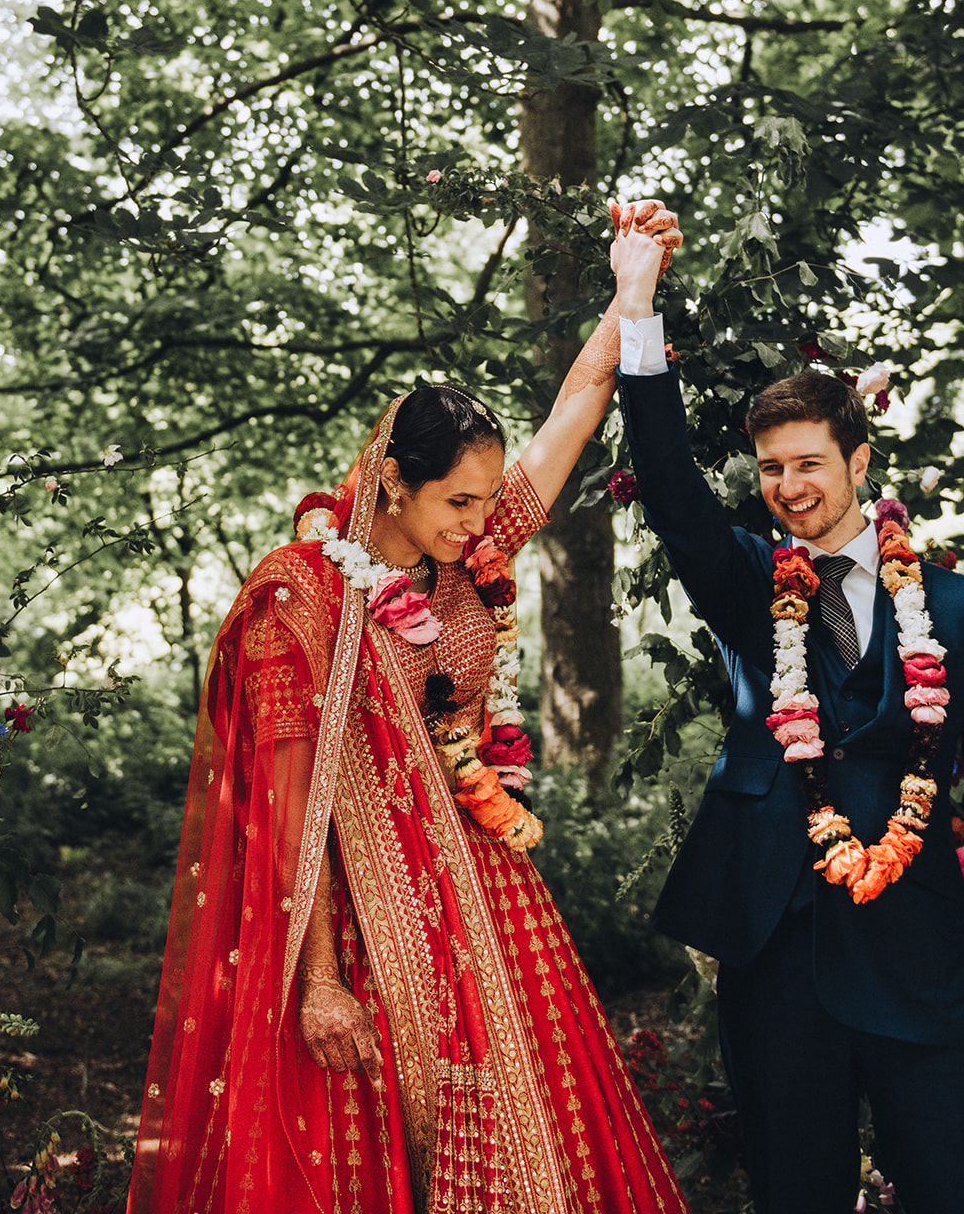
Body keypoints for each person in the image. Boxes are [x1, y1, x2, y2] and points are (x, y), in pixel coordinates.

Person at [128, 204, 690, 1214]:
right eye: (459, 502)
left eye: (487, 501)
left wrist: (630, 285)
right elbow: (286, 812)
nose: (483, 521)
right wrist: (318, 982)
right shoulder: (298, 598)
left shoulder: (468, 562)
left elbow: (577, 404)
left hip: (484, 898)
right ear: (392, 478)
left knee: (526, 1142)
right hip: (354, 918)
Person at [612, 224, 964, 1214]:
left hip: (918, 952)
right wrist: (636, 303)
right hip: (777, 952)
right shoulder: (751, 584)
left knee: (962, 1190)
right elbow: (668, 489)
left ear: (857, 458)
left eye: (805, 462)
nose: (786, 487)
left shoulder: (958, 613)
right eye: (768, 469)